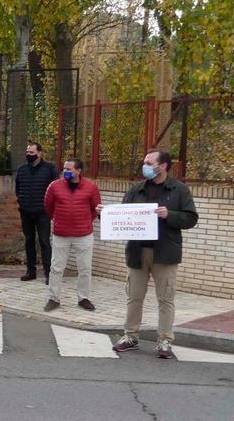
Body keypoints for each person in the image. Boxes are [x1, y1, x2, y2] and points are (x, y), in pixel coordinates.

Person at [109, 149, 198, 359]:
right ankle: (130, 336)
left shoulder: (179, 190)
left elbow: (191, 218)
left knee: (165, 298)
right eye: (144, 162)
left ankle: (165, 341)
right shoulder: (136, 190)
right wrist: (107, 215)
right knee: (134, 296)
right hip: (138, 251)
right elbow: (123, 216)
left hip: (165, 253)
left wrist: (170, 215)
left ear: (163, 165)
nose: (145, 166)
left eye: (149, 162)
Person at [43, 158, 101, 313]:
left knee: (85, 268)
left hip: (83, 235)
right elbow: (48, 207)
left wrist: (84, 221)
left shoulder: (91, 187)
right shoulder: (54, 186)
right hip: (61, 234)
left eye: (69, 169)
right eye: (64, 169)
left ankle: (83, 298)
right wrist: (59, 220)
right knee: (56, 267)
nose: (65, 172)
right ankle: (53, 298)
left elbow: (95, 209)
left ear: (78, 171)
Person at [15, 141, 59, 282]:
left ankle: (49, 273)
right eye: (27, 153)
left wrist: (49, 208)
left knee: (44, 241)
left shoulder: (50, 169)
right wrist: (21, 202)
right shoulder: (22, 170)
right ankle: (31, 271)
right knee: (29, 241)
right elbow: (18, 189)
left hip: (43, 212)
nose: (29, 155)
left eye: (32, 153)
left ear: (39, 153)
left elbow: (55, 191)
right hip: (26, 211)